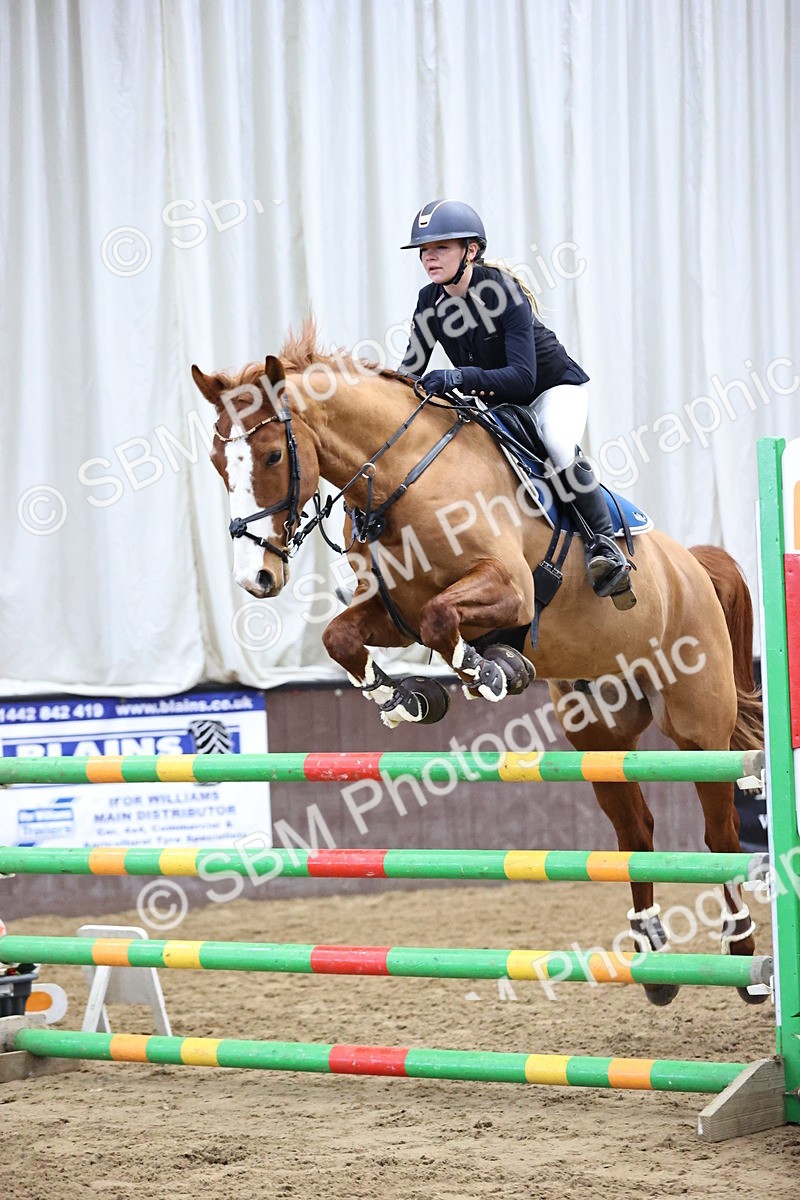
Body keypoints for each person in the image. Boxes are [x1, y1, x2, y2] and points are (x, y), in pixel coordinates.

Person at [399, 198, 636, 610]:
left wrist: (457, 377)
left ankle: (604, 546)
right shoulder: (429, 302)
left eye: (441, 247)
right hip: (498, 404)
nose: (429, 257)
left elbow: (523, 378)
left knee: (559, 445)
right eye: (424, 249)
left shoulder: (502, 292)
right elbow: (411, 370)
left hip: (550, 391)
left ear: (471, 251)